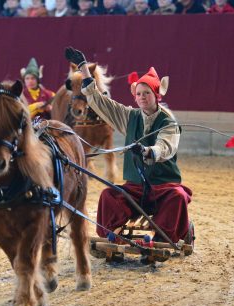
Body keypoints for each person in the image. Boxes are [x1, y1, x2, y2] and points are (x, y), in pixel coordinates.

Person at [64, 47, 194, 249]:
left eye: (147, 93)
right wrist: (83, 67)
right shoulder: (129, 116)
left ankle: (159, 238)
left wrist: (149, 151)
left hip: (163, 188)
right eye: (139, 94)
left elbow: (165, 146)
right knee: (109, 196)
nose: (142, 97)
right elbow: (101, 102)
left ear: (156, 95)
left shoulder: (168, 121)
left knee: (177, 197)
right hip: (135, 189)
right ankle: (113, 234)